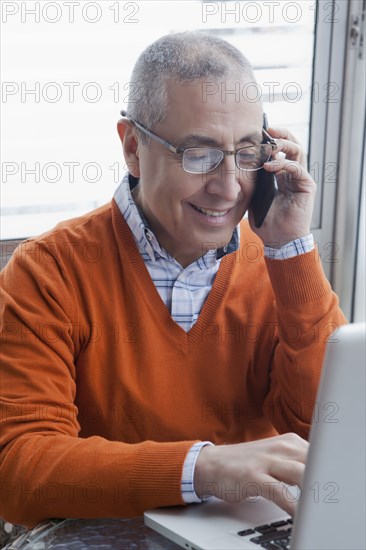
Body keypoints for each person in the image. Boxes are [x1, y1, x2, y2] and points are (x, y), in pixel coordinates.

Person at [0, 31, 346, 528]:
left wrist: (292, 250)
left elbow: (330, 438)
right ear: (133, 147)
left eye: (247, 152)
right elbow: (18, 473)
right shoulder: (48, 273)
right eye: (198, 153)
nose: (229, 187)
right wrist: (200, 469)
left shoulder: (280, 267)